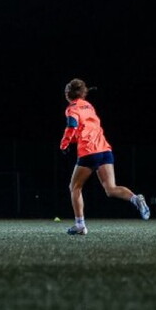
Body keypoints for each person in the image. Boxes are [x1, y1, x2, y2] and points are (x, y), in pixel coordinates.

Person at [59, 78, 150, 236]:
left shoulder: (72, 108)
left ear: (68, 94)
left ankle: (80, 225)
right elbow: (84, 129)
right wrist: (72, 140)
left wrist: (64, 144)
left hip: (89, 152)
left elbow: (72, 126)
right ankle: (135, 199)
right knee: (111, 189)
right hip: (105, 150)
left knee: (74, 187)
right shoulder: (89, 106)